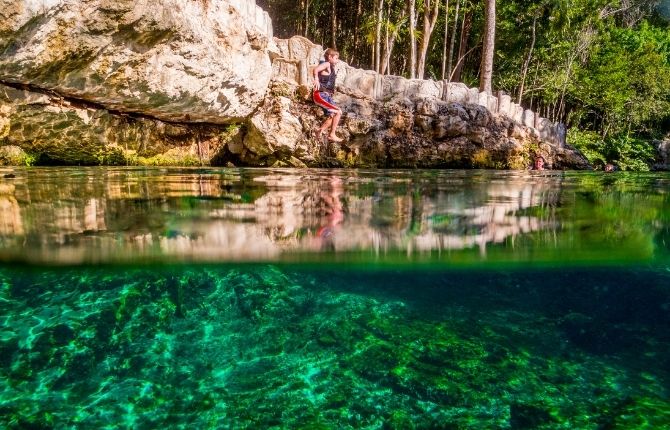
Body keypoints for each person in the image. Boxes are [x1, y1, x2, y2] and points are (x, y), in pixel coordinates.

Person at [312, 48, 343, 143]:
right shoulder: (327, 64)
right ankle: (332, 134)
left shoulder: (331, 68)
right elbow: (316, 69)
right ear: (330, 57)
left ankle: (319, 130)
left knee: (334, 114)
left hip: (326, 96)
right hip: (320, 95)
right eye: (336, 58)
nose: (337, 61)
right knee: (338, 111)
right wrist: (316, 80)